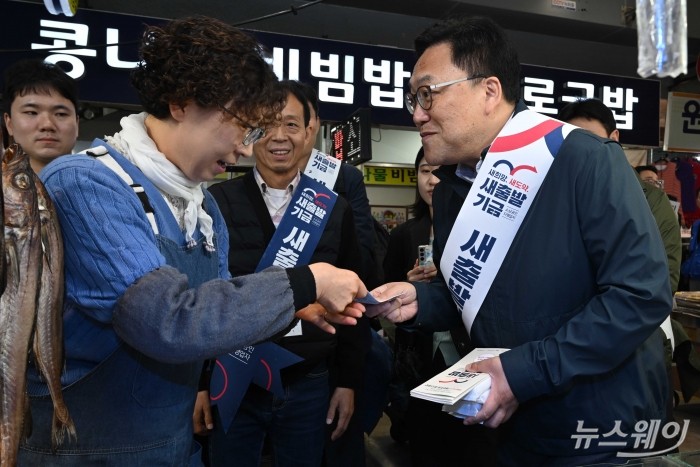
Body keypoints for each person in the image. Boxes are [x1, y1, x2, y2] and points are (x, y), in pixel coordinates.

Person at [19, 17, 366, 467]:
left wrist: (291, 310)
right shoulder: (86, 182)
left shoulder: (202, 210)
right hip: (88, 452)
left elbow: (211, 314)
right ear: (182, 103)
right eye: (242, 126)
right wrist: (305, 283)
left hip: (173, 447)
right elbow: (164, 321)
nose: (245, 149)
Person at [365, 16, 671, 465]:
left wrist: (522, 373)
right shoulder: (453, 186)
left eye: (428, 94)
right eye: (414, 98)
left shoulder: (582, 161)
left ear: (489, 91)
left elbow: (640, 296)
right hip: (505, 425)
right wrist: (419, 300)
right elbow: (475, 297)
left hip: (593, 429)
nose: (416, 113)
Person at [206, 81, 371, 467]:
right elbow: (201, 297)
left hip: (309, 381)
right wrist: (200, 384)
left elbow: (354, 302)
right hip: (234, 379)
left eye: (291, 125)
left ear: (310, 130)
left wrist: (347, 381)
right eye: (266, 125)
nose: (279, 137)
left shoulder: (333, 208)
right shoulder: (216, 203)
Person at [2, 58, 79, 173]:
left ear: (77, 124)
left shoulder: (108, 184)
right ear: (9, 123)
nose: (47, 124)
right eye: (32, 112)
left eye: (61, 114)